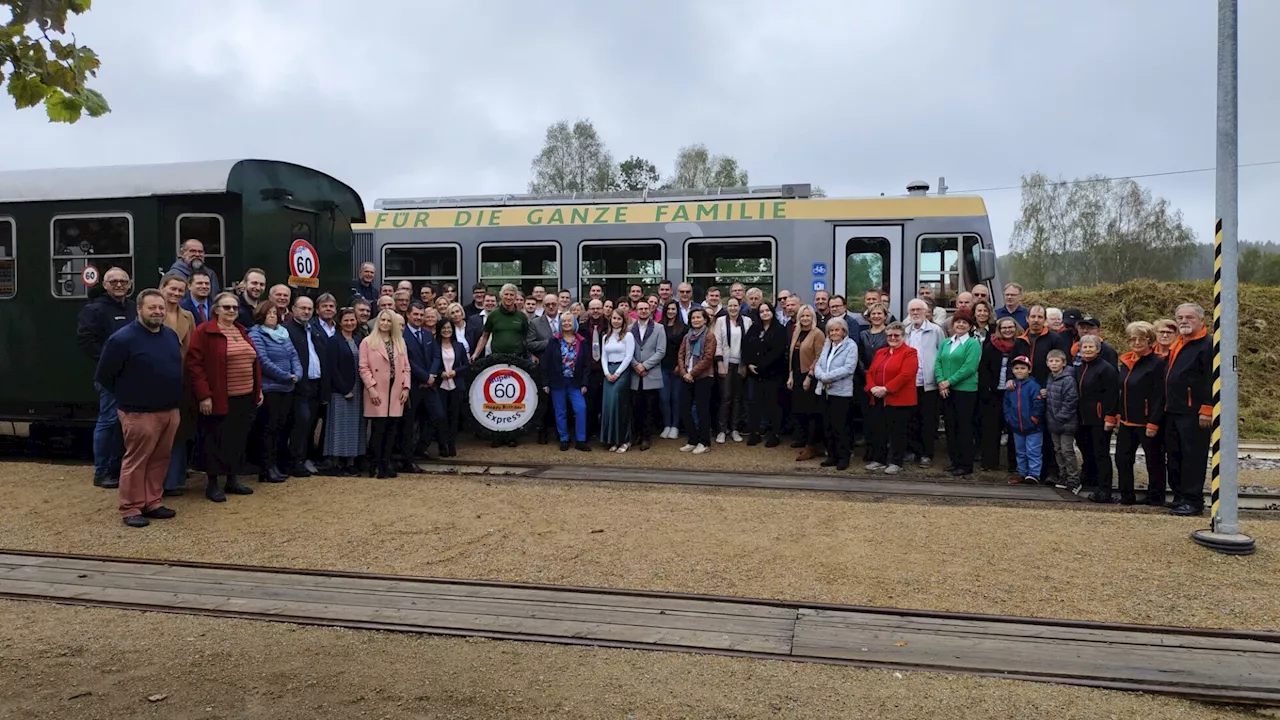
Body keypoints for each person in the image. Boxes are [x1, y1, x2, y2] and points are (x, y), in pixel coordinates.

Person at [94, 288, 183, 528]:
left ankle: (152, 501)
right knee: (136, 460)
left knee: (160, 458)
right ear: (139, 309)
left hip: (169, 410)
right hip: (139, 412)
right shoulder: (123, 339)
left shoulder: (170, 336)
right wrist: (132, 396)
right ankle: (131, 507)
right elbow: (104, 376)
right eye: (152, 307)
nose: (157, 312)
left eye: (161, 308)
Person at [187, 291, 261, 503]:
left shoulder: (241, 330)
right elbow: (195, 366)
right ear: (216, 310)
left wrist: (258, 390)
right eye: (226, 307)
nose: (231, 311)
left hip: (244, 396)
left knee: (237, 438)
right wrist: (204, 396)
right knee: (215, 439)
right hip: (219, 397)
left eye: (234, 308)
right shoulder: (205, 331)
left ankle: (232, 479)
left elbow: (253, 361)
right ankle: (212, 485)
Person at [77, 266, 136, 489]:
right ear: (105, 285)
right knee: (109, 421)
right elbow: (86, 341)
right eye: (114, 282)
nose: (119, 285)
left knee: (126, 424)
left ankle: (118, 468)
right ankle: (101, 472)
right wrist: (110, 361)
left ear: (129, 284)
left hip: (132, 375)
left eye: (123, 281)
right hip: (110, 376)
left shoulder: (132, 308)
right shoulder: (94, 309)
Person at [1164, 303, 1213, 516]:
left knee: (1193, 456)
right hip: (1174, 409)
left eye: (1189, 317)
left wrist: (1207, 408)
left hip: (1194, 412)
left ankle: (1193, 500)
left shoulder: (1208, 344)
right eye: (1180, 317)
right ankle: (1180, 495)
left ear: (1201, 320)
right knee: (1175, 456)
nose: (1184, 321)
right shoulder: (1180, 343)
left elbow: (1212, 378)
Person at [1113, 321, 1167, 506]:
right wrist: (1118, 414)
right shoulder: (1126, 362)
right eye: (1133, 339)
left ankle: (1156, 497)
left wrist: (1153, 422)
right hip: (1127, 422)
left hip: (1147, 423)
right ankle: (1126, 496)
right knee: (1122, 459)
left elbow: (1159, 395)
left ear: (1150, 341)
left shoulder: (1157, 363)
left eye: (1141, 339)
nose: (1136, 342)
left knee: (1154, 462)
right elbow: (1122, 391)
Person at [248, 300, 300, 483]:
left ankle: (275, 465)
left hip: (287, 388)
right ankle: (266, 468)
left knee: (280, 427)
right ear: (261, 314)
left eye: (274, 312)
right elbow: (262, 360)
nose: (272, 315)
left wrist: (297, 373)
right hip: (270, 388)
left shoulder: (283, 333)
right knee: (268, 429)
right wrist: (286, 376)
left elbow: (294, 355)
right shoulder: (256, 334)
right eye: (268, 312)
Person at [360, 310, 412, 478]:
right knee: (378, 429)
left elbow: (406, 367)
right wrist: (371, 387)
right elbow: (364, 367)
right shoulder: (367, 342)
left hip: (395, 389)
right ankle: (374, 464)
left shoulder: (400, 342)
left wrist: (406, 388)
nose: (385, 323)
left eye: (389, 321)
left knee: (392, 429)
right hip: (377, 389)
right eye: (382, 320)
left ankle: (386, 463)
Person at [158, 274, 196, 496]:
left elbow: (190, 348)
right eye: (172, 289)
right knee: (158, 433)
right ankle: (155, 482)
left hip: (182, 380)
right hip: (157, 381)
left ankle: (173, 480)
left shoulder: (188, 316)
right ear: (162, 288)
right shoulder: (153, 312)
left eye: (181, 290)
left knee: (179, 432)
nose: (176, 294)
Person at [864, 322, 918, 474]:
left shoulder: (910, 352)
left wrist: (886, 389)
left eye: (896, 335)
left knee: (897, 432)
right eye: (889, 335)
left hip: (899, 399)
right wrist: (872, 387)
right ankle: (879, 459)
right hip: (878, 397)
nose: (893, 338)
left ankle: (896, 461)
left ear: (903, 336)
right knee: (879, 429)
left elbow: (906, 375)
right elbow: (870, 372)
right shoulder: (881, 352)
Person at [284, 295, 328, 477]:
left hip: (316, 384)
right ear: (293, 309)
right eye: (302, 308)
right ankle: (295, 462)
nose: (306, 312)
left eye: (309, 308)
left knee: (309, 424)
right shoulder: (287, 330)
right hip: (298, 385)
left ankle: (303, 458)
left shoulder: (314, 330)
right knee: (299, 423)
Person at [935, 309, 981, 476]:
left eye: (965, 322)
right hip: (947, 391)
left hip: (965, 391)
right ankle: (954, 461)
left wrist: (949, 381)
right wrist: (941, 382)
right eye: (958, 322)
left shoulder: (972, 343)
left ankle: (965, 464)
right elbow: (938, 362)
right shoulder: (946, 342)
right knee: (951, 427)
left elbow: (969, 368)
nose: (960, 325)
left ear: (970, 326)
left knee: (964, 428)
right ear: (953, 324)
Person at [1076, 334, 1119, 503]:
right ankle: (1091, 481)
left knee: (1101, 454)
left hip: (1100, 418)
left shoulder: (1106, 368)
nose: (1087, 350)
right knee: (1087, 451)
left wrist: (1110, 416)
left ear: (1098, 349)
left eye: (1090, 347)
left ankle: (1105, 490)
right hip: (1082, 418)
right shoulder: (1080, 367)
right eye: (1084, 347)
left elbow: (1112, 394)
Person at [541, 312, 592, 452]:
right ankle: (564, 438)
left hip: (575, 382)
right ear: (560, 324)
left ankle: (580, 440)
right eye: (564, 321)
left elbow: (587, 365)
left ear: (574, 323)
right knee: (560, 411)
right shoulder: (554, 340)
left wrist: (585, 383)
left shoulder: (582, 341)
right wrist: (545, 383)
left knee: (581, 409)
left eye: (569, 321)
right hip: (557, 382)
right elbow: (546, 363)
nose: (567, 324)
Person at [323, 308, 365, 477]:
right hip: (341, 391)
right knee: (339, 427)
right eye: (346, 320)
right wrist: (344, 389)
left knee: (354, 427)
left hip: (357, 388)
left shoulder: (358, 339)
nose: (349, 323)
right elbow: (331, 368)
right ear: (340, 322)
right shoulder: (334, 341)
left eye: (352, 320)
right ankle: (337, 462)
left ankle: (351, 462)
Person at [904, 298, 944, 467]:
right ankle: (914, 451)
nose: (915, 313)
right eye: (912, 310)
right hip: (910, 384)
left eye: (918, 310)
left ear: (926, 312)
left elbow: (942, 354)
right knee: (911, 419)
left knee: (928, 420)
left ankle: (927, 454)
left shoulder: (935, 330)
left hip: (929, 383)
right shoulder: (905, 331)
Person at [742, 301, 787, 447]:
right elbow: (746, 346)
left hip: (773, 374)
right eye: (762, 311)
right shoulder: (754, 328)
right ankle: (754, 433)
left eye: (767, 310)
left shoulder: (779, 329)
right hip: (754, 374)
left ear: (772, 312)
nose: (765, 313)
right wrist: (748, 363)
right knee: (754, 404)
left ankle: (774, 434)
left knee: (773, 405)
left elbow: (777, 351)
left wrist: (761, 366)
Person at [979, 317, 1021, 472]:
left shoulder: (1021, 345)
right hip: (994, 392)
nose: (1007, 330)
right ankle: (989, 462)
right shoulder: (991, 346)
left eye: (1010, 327)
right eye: (1004, 328)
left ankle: (1014, 464)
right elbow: (983, 369)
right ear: (999, 329)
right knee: (991, 428)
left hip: (1014, 393)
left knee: (1014, 428)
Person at [788, 305, 826, 461]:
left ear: (813, 318)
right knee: (800, 411)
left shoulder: (817, 333)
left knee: (811, 413)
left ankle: (812, 446)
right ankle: (808, 443)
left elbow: (819, 357)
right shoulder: (797, 332)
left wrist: (810, 375)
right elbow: (792, 355)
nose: (805, 319)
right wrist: (790, 375)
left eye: (808, 316)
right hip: (796, 375)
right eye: (802, 316)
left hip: (810, 377)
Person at [678, 307, 717, 454]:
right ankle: (692, 440)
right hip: (686, 376)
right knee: (684, 409)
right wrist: (683, 372)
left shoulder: (709, 336)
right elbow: (681, 355)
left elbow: (708, 358)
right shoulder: (687, 336)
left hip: (703, 377)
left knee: (702, 411)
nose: (696, 320)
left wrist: (692, 373)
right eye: (693, 318)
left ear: (705, 319)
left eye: (699, 317)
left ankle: (704, 442)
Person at [401, 304, 437, 464]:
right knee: (408, 422)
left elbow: (436, 356)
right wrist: (424, 377)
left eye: (421, 315)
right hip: (413, 385)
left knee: (437, 416)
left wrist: (431, 376)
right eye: (415, 314)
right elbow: (407, 360)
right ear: (408, 315)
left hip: (429, 385)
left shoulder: (428, 334)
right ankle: (407, 457)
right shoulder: (402, 335)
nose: (418, 318)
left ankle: (421, 447)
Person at [629, 299, 666, 451]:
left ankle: (646, 437)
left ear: (651, 310)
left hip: (651, 373)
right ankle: (637, 434)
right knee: (635, 407)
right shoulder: (630, 328)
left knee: (650, 408)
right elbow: (626, 350)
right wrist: (636, 365)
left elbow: (661, 351)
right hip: (634, 374)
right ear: (636, 311)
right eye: (640, 309)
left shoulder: (659, 328)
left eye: (646, 308)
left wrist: (644, 365)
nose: (643, 311)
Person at [712, 296, 750, 442]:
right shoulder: (721, 321)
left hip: (740, 364)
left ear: (740, 307)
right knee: (725, 397)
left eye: (736, 305)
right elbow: (718, 342)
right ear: (727, 307)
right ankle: (722, 430)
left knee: (737, 398)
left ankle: (734, 429)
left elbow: (749, 344)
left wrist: (745, 363)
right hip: (726, 364)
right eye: (730, 306)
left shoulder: (747, 321)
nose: (733, 308)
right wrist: (720, 363)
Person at [430, 319, 469, 458]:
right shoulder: (434, 345)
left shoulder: (458, 346)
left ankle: (451, 445)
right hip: (440, 386)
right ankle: (442, 445)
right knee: (441, 417)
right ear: (439, 329)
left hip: (455, 386)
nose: (447, 330)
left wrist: (455, 372)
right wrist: (440, 373)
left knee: (454, 417)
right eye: (444, 328)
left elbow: (466, 365)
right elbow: (431, 363)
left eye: (449, 328)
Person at [1004, 356, 1045, 485]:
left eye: (1023, 368)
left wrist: (1034, 418)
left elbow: (1038, 403)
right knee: (1020, 451)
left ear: (1029, 370)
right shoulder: (1011, 386)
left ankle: (1034, 474)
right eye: (1016, 368)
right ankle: (1022, 472)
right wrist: (1009, 419)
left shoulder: (1033, 386)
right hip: (1017, 426)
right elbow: (1007, 404)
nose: (1019, 371)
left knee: (1033, 451)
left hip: (1033, 427)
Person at [1044, 349, 1080, 492]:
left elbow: (1071, 400)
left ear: (1063, 363)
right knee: (1057, 450)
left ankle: (1074, 479)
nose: (1054, 364)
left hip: (1066, 423)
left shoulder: (1068, 379)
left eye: (1057, 361)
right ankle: (1063, 475)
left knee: (1067, 451)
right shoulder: (1050, 378)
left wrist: (1060, 417)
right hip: (1053, 422)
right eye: (1051, 361)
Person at [600, 308, 636, 452]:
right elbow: (603, 356)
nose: (616, 321)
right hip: (608, 372)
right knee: (608, 406)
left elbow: (628, 357)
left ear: (623, 320)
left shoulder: (628, 336)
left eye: (619, 319)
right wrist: (607, 373)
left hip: (622, 372)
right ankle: (613, 440)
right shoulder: (605, 337)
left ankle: (625, 440)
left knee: (619, 405)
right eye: (614, 318)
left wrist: (618, 373)